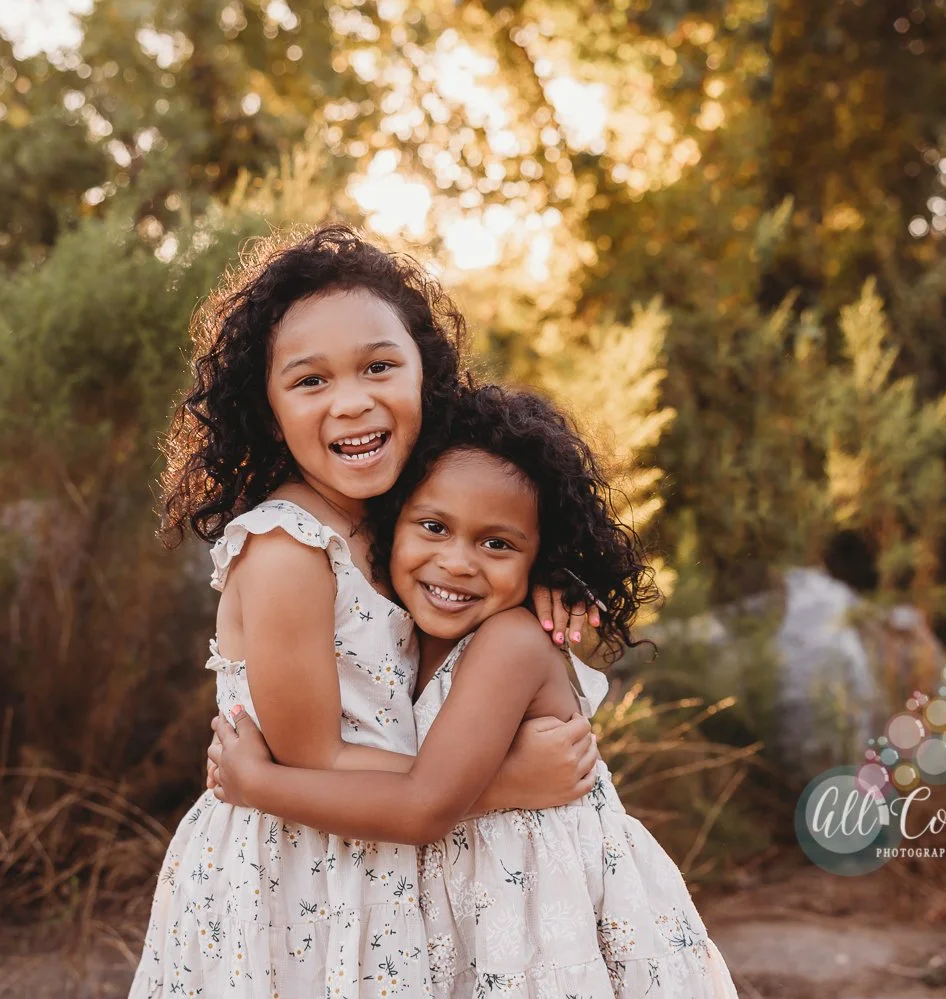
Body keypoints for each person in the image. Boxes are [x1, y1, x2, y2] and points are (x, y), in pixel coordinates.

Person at [129, 225, 601, 999]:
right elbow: (312, 761)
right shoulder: (288, 551)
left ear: (427, 374)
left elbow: (481, 572)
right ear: (267, 405)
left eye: (380, 366)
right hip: (301, 879)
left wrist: (548, 575)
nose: (353, 401)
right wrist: (506, 782)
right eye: (309, 381)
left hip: (391, 863)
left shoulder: (396, 515)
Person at [211, 385, 741, 998]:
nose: (458, 562)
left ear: (542, 556)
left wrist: (257, 785)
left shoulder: (510, 642)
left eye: (498, 543)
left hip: (546, 929)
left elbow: (424, 807)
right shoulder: (402, 623)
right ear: (392, 524)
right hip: (479, 919)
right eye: (434, 527)